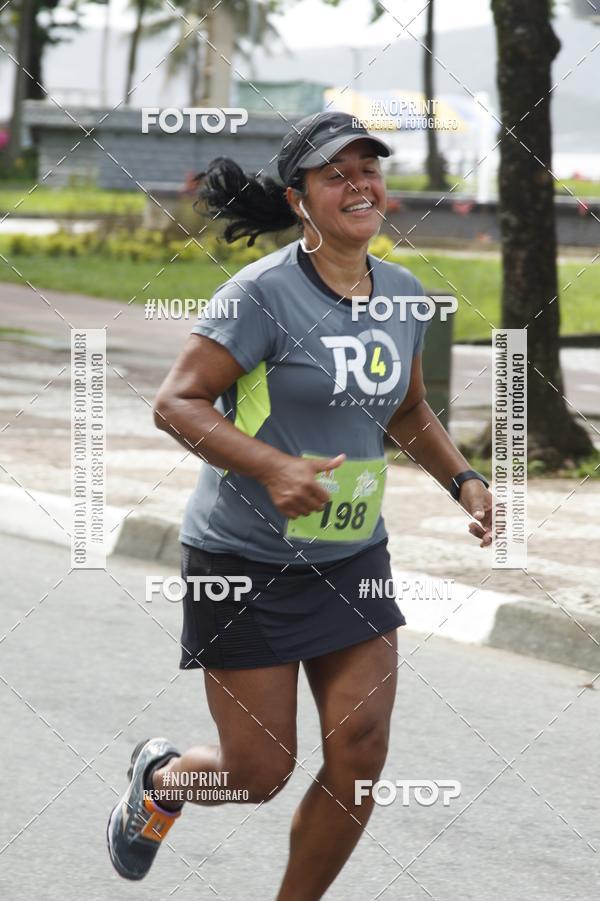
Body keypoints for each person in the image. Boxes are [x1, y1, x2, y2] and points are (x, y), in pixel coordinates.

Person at [107, 111, 492, 896]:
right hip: (243, 559)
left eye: (368, 170)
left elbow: (409, 412)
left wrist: (465, 481)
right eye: (335, 176)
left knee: (360, 746)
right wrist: (275, 467)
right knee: (258, 771)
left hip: (352, 557)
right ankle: (163, 781)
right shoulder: (261, 294)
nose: (359, 186)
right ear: (299, 199)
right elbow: (177, 403)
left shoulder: (405, 295)